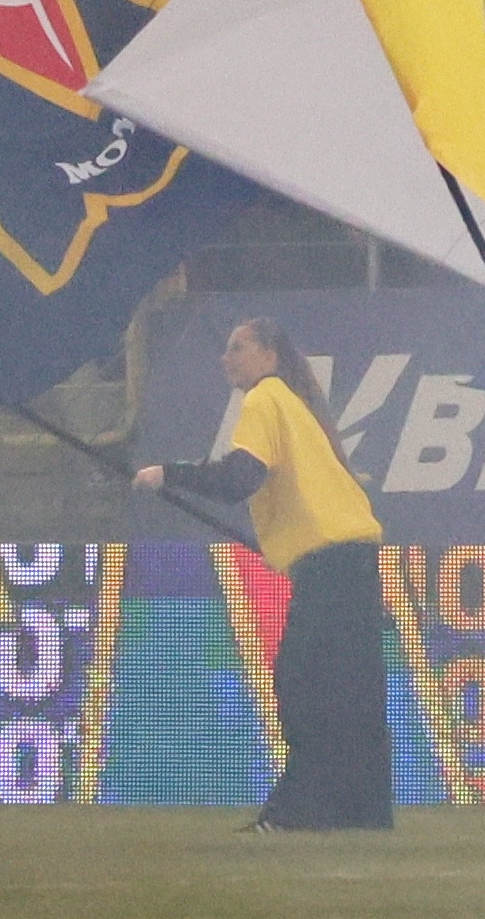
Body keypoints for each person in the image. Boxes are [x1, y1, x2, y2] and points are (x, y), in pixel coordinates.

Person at [137, 315, 392, 832]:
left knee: (302, 683)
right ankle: (362, 814)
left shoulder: (263, 399)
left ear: (269, 356)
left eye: (238, 347)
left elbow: (240, 478)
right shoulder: (295, 405)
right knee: (353, 691)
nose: (226, 358)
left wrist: (170, 475)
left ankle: (298, 810)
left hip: (327, 564)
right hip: (355, 558)